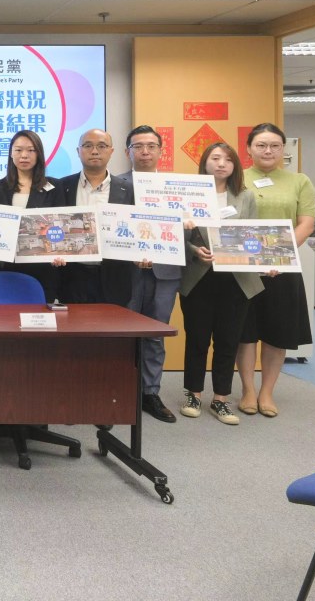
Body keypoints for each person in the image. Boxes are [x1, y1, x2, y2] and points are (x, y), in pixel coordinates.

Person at [177, 143, 263, 425]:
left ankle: (221, 399)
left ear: (235, 165)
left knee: (228, 340)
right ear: (205, 163)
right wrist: (194, 250)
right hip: (198, 277)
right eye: (215, 158)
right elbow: (175, 235)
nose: (221, 163)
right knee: (197, 339)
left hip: (236, 279)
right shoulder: (188, 195)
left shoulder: (245, 196)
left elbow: (253, 235)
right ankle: (193, 394)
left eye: (228, 159)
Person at [237, 122, 315, 418]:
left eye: (274, 145)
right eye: (261, 145)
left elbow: (306, 223)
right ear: (248, 148)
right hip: (243, 267)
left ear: (283, 149)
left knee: (277, 331)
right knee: (245, 332)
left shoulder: (299, 181)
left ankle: (267, 392)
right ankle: (247, 389)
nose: (268, 150)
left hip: (282, 267)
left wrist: (276, 256)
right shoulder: (237, 177)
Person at [124, 124, 180, 423]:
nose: (145, 152)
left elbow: (185, 232)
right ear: (128, 152)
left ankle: (150, 393)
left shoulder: (176, 187)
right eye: (138, 146)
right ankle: (119, 389)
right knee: (121, 333)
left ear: (160, 150)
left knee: (156, 334)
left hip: (165, 270)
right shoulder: (115, 185)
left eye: (151, 146)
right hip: (127, 271)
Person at [56, 128, 134, 306]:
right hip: (71, 276)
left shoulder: (128, 189)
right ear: (78, 151)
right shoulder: (62, 186)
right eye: (88, 145)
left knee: (111, 324)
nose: (94, 151)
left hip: (114, 277)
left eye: (101, 146)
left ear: (111, 151)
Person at [0, 129, 65, 302]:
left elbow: (60, 225)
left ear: (39, 154)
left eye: (31, 150)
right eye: (18, 150)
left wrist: (61, 251)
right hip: (6, 268)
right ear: (10, 153)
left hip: (43, 269)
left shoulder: (54, 187)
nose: (24, 155)